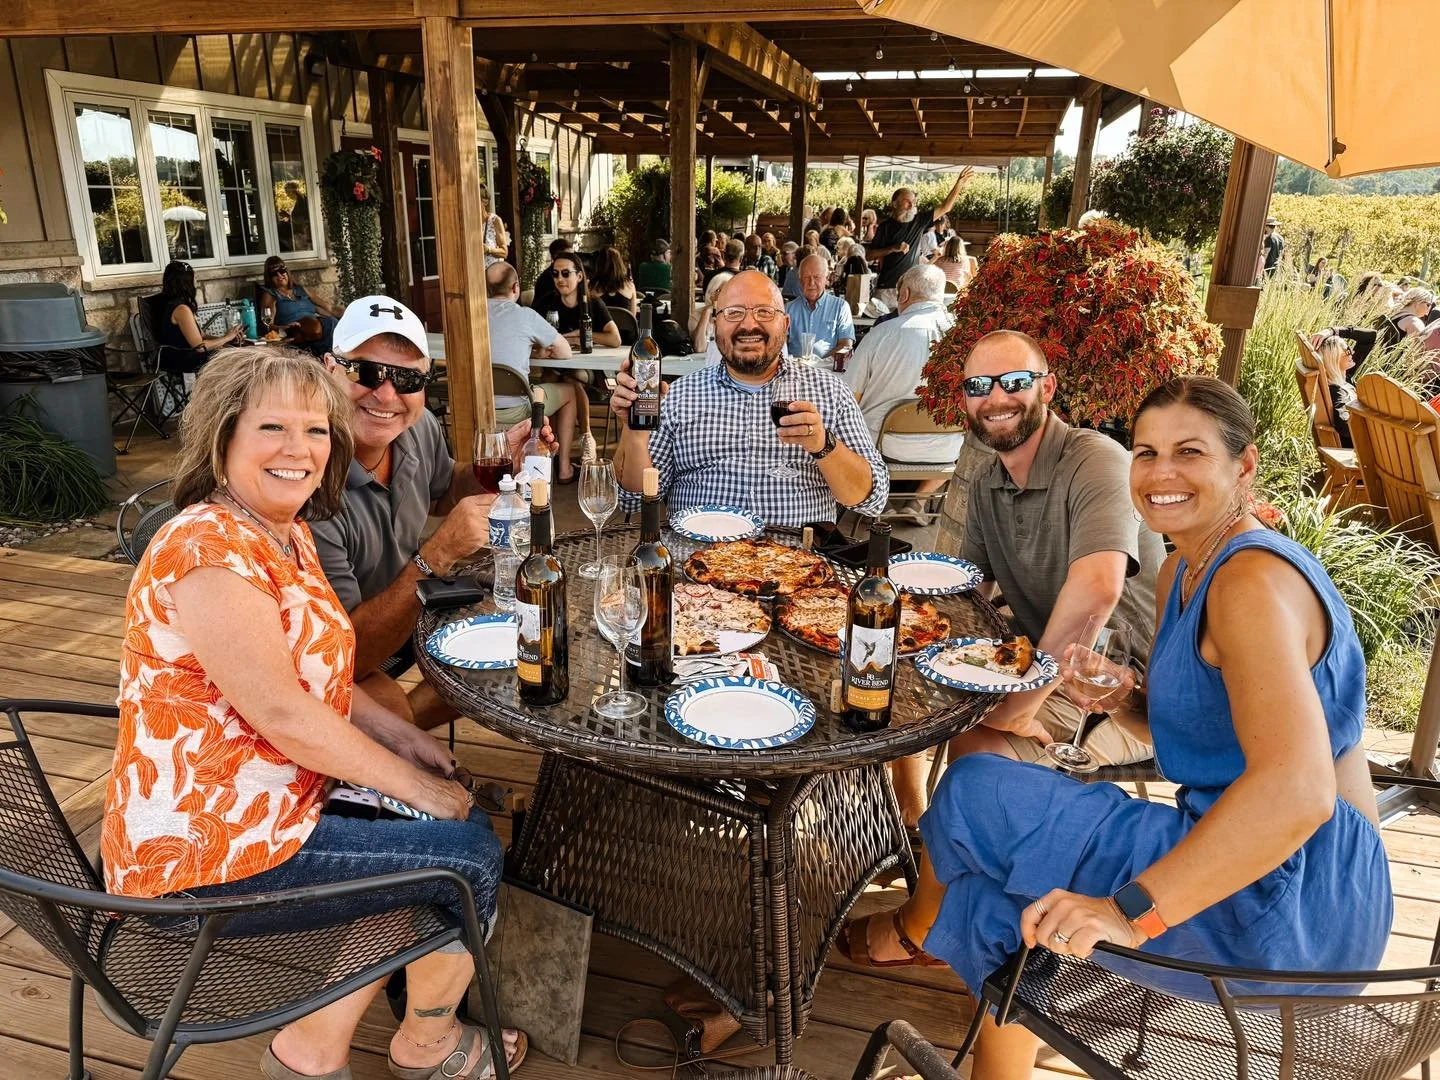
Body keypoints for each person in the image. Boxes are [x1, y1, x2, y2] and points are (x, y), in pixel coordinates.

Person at [843, 376, 1389, 1080]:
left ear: (1243, 466)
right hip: (1254, 864)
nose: (1161, 474)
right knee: (990, 906)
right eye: (1146, 452)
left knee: (976, 791)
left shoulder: (1252, 582)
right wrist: (1126, 698)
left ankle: (917, 933)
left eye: (1189, 452)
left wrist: (1130, 914)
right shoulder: (1184, 572)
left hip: (1294, 906)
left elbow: (1298, 791)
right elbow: (1212, 737)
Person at [105, 345, 528, 1080]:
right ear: (223, 435)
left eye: (316, 431)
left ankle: (314, 1047)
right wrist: (411, 782)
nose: (298, 451)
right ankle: (423, 1047)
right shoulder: (208, 547)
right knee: (465, 855)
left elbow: (317, 676)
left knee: (441, 833)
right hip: (210, 849)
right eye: (273, 428)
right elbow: (283, 712)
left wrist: (401, 737)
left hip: (278, 801)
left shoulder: (283, 528)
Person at [887, 330, 1163, 827]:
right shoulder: (989, 481)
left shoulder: (1095, 460)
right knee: (890, 677)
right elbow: (963, 593)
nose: (995, 398)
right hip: (1040, 663)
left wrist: (1020, 706)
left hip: (1124, 690)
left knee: (975, 751)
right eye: (978, 386)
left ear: (1048, 388)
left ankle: (929, 902)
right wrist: (908, 643)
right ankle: (915, 822)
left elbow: (1099, 588)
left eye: (1014, 381)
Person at [311, 296, 558, 733]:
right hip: (331, 653)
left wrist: (503, 468)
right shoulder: (305, 478)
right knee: (396, 722)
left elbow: (444, 492)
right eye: (366, 372)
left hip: (411, 612)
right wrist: (437, 554)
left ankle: (404, 727)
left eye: (407, 378)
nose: (386, 394)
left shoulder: (416, 427)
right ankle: (394, 736)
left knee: (529, 632)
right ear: (330, 369)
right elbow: (352, 654)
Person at [610, 269, 888, 527]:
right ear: (716, 325)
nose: (748, 324)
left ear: (786, 323)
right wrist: (635, 432)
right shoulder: (679, 395)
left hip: (800, 567)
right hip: (698, 563)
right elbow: (634, 499)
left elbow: (871, 500)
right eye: (733, 313)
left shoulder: (830, 392)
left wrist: (822, 445)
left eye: (764, 312)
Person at [842, 264, 960, 514]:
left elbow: (849, 398)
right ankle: (919, 500)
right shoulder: (961, 337)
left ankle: (878, 498)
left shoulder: (881, 334)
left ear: (904, 295)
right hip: (948, 447)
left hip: (885, 446)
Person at [486, 262, 587, 467]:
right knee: (569, 391)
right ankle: (565, 466)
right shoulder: (526, 316)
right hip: (516, 409)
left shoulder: (471, 316)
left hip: (478, 406)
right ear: (516, 288)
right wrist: (539, 349)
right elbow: (565, 352)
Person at [869, 168, 974, 310]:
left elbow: (946, 207)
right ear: (895, 204)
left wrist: (959, 184)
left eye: (914, 202)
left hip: (910, 288)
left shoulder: (918, 221)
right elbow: (869, 255)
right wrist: (892, 248)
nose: (912, 206)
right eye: (907, 202)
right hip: (886, 289)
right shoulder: (885, 227)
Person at [152, 260, 243, 373]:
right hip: (182, 359)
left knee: (231, 350)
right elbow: (199, 347)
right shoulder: (181, 309)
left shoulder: (180, 305)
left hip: (186, 355)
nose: (196, 281)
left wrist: (227, 339)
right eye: (194, 278)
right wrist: (226, 338)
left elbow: (202, 336)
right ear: (186, 283)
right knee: (235, 358)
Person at [532, 251, 622, 349]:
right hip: (555, 362)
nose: (560, 279)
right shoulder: (546, 302)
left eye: (565, 273)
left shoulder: (593, 303)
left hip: (586, 362)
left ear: (579, 277)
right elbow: (528, 338)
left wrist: (583, 334)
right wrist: (566, 341)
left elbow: (615, 339)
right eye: (555, 274)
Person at [258, 255, 341, 353]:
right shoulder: (270, 294)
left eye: (282, 271)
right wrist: (286, 328)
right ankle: (331, 355)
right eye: (274, 274)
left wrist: (350, 314)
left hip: (315, 325)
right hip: (294, 329)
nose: (280, 276)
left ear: (287, 272)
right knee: (329, 323)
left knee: (332, 322)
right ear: (269, 278)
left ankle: (329, 354)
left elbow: (329, 308)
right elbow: (268, 324)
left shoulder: (301, 289)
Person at [785, 253, 855, 360]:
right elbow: (779, 345)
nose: (811, 283)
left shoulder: (840, 307)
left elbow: (846, 345)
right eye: (806, 277)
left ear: (826, 279)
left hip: (828, 371)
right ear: (800, 281)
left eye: (817, 277)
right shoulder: (788, 309)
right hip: (796, 371)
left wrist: (819, 363)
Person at [1306, 334, 1358, 446]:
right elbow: (1344, 426)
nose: (1352, 352)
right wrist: (1367, 424)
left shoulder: (1345, 381)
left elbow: (1370, 338)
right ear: (1334, 359)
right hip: (1359, 451)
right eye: (1347, 351)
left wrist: (1332, 331)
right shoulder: (1337, 391)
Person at [592, 245, 639, 315]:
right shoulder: (630, 286)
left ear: (599, 264)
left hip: (600, 326)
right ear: (620, 264)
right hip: (624, 326)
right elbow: (633, 319)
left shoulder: (591, 289)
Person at [530, 236, 573, 311]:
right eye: (569, 256)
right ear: (556, 257)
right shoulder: (546, 279)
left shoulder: (571, 273)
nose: (573, 259)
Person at [480, 185, 510, 267]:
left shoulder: (494, 221)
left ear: (485, 201)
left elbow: (504, 252)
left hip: (494, 275)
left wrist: (489, 250)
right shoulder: (471, 224)